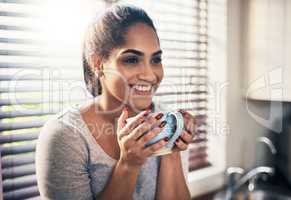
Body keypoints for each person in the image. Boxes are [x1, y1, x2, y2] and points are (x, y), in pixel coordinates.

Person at [36, 4, 200, 200]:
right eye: (131, 60)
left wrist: (170, 151)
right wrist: (128, 165)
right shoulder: (65, 136)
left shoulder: (167, 120)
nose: (149, 75)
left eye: (155, 60)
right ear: (98, 64)